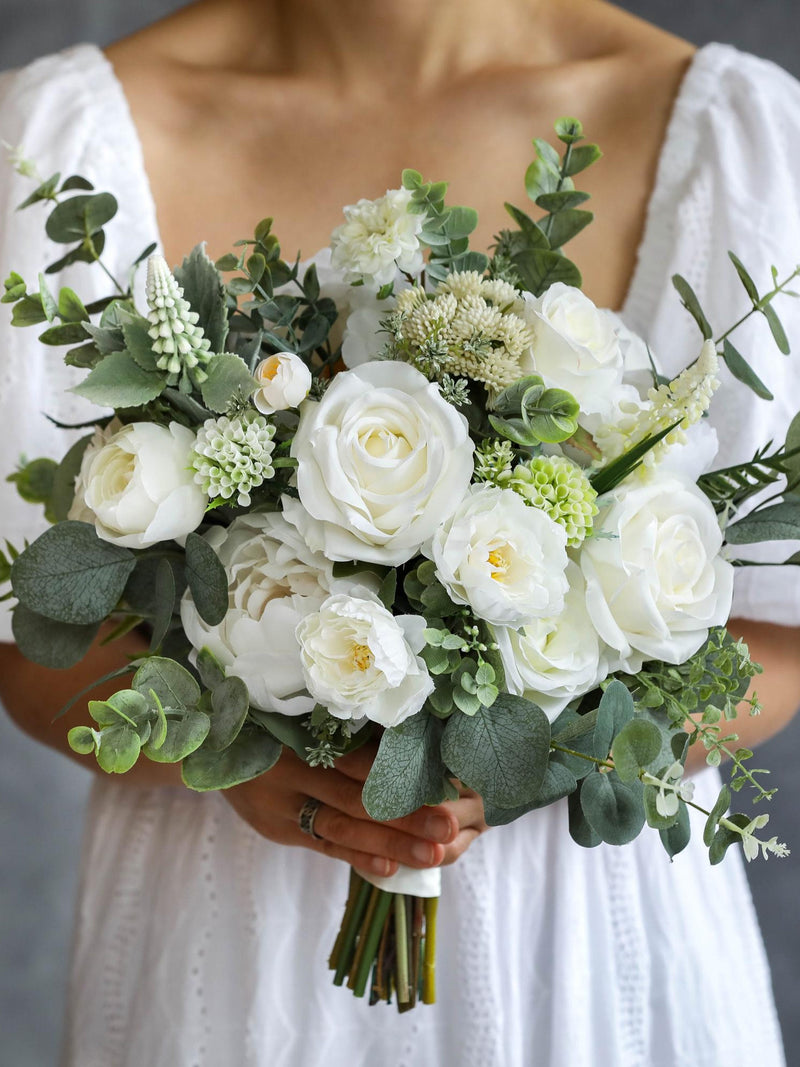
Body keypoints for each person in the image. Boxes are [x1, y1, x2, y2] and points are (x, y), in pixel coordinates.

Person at [1, 1, 799, 1063]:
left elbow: (775, 634)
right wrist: (225, 749)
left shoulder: (739, 138)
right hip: (225, 952)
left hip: (589, 952)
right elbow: (29, 638)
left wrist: (531, 756)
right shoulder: (55, 142)